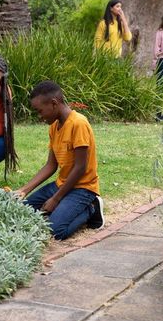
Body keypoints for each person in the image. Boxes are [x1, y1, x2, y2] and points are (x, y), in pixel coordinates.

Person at [16, 80, 104, 241]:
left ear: (54, 103)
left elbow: (80, 167)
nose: (39, 116)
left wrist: (55, 199)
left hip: (83, 188)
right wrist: (23, 190)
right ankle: (64, 205)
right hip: (62, 184)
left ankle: (90, 208)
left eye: (40, 111)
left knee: (55, 230)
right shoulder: (54, 126)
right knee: (21, 211)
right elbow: (51, 165)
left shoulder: (78, 123)